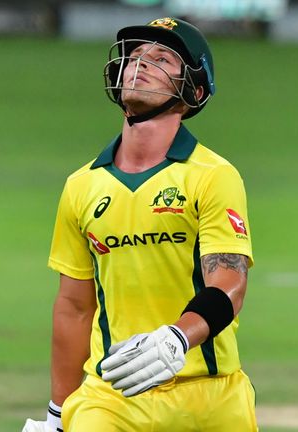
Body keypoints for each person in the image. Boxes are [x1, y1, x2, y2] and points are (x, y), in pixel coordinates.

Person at [22, 17, 257, 431]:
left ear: (194, 90)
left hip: (210, 394)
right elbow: (75, 307)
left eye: (162, 58)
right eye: (134, 56)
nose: (140, 63)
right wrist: (56, 414)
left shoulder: (212, 175)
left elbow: (229, 284)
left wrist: (178, 337)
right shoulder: (82, 186)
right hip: (111, 398)